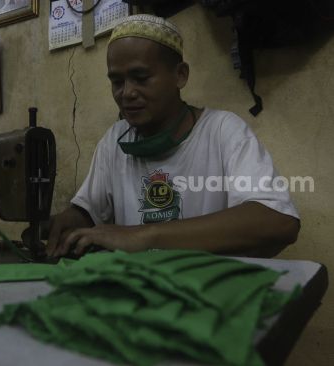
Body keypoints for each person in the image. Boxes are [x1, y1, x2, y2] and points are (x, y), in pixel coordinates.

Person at [45, 14, 300, 258]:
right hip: (142, 291)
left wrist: (144, 236)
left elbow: (278, 221)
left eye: (141, 78)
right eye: (117, 81)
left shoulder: (222, 131)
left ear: (180, 75)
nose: (127, 93)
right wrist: (71, 221)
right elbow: (89, 211)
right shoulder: (115, 140)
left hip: (206, 293)